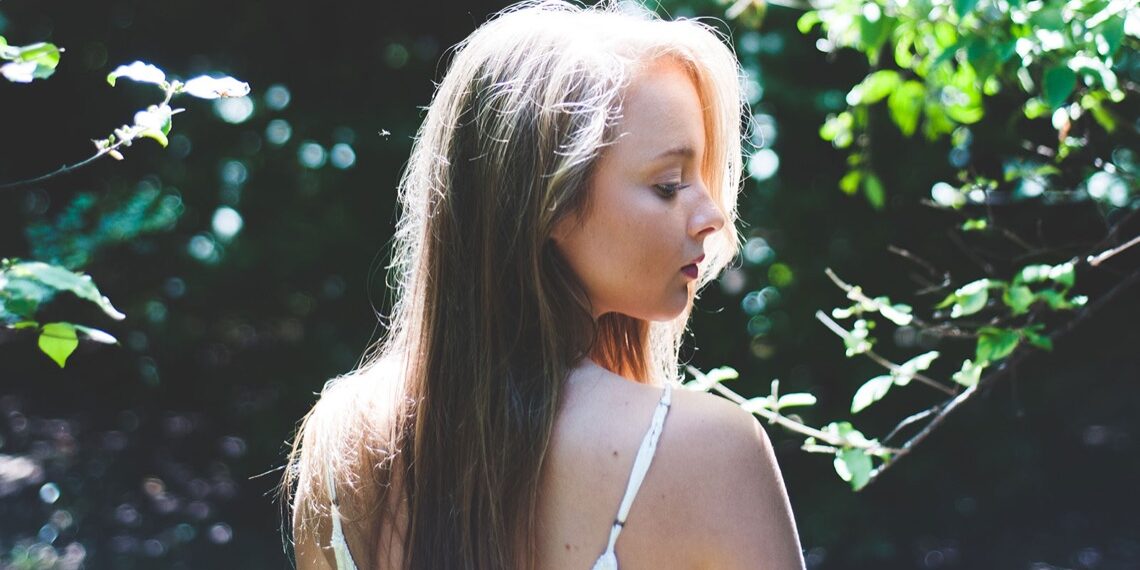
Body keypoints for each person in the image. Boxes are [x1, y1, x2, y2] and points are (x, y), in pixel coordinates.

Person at [282, 1, 805, 568]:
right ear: (546, 204)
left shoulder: (342, 445)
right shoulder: (710, 450)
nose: (713, 216)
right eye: (669, 184)